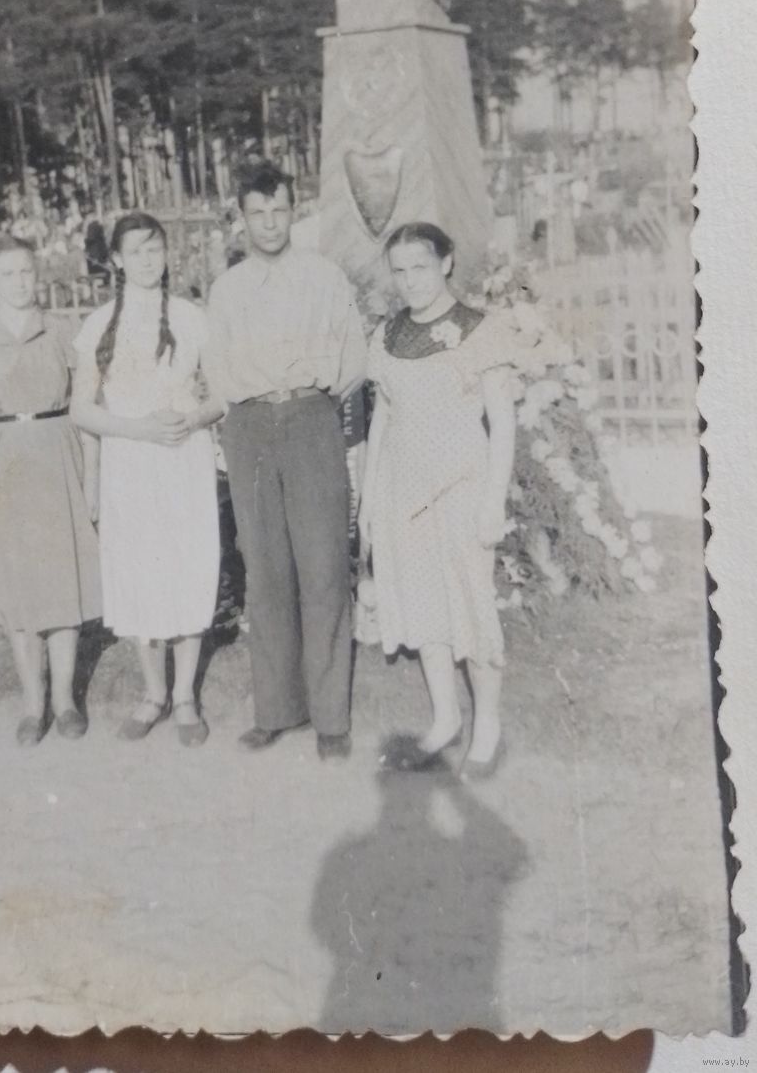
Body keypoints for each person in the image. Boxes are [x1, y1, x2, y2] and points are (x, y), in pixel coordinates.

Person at [206, 161, 367, 762]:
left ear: (293, 212)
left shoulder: (324, 277)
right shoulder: (228, 290)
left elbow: (355, 358)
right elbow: (217, 368)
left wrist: (314, 400)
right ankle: (276, 710)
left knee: (323, 566)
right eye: (258, 214)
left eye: (279, 211)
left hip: (310, 420)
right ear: (242, 218)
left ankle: (330, 718)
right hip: (250, 426)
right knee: (266, 569)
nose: (270, 224)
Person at [358, 222, 517, 779]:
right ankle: (446, 719)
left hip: (461, 485)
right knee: (424, 603)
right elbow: (383, 417)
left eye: (420, 267)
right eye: (399, 271)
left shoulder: (480, 330)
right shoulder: (388, 335)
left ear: (446, 263)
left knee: (472, 602)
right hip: (403, 489)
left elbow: (502, 423)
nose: (410, 281)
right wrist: (369, 498)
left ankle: (487, 725)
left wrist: (493, 502)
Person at [0, 234, 102, 746]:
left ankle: (66, 701)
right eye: (7, 274)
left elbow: (87, 412)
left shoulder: (62, 333)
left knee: (63, 582)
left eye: (27, 271)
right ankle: (33, 704)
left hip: (58, 459)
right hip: (3, 469)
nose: (20, 282)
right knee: (18, 588)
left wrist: (91, 482)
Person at [71, 212, 223, 747]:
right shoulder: (98, 325)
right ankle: (153, 693)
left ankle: (184, 696)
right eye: (134, 251)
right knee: (140, 572)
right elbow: (81, 410)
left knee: (185, 567)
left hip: (182, 460)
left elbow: (223, 395)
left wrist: (193, 419)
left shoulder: (191, 317)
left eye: (154, 249)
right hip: (130, 464)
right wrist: (136, 429)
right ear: (116, 259)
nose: (146, 260)